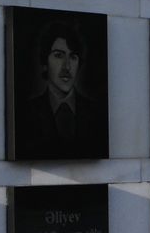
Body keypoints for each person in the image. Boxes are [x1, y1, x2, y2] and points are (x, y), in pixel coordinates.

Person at [16, 19, 104, 158]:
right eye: (58, 55)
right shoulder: (25, 114)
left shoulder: (97, 113)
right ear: (45, 62)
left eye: (73, 57)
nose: (67, 66)